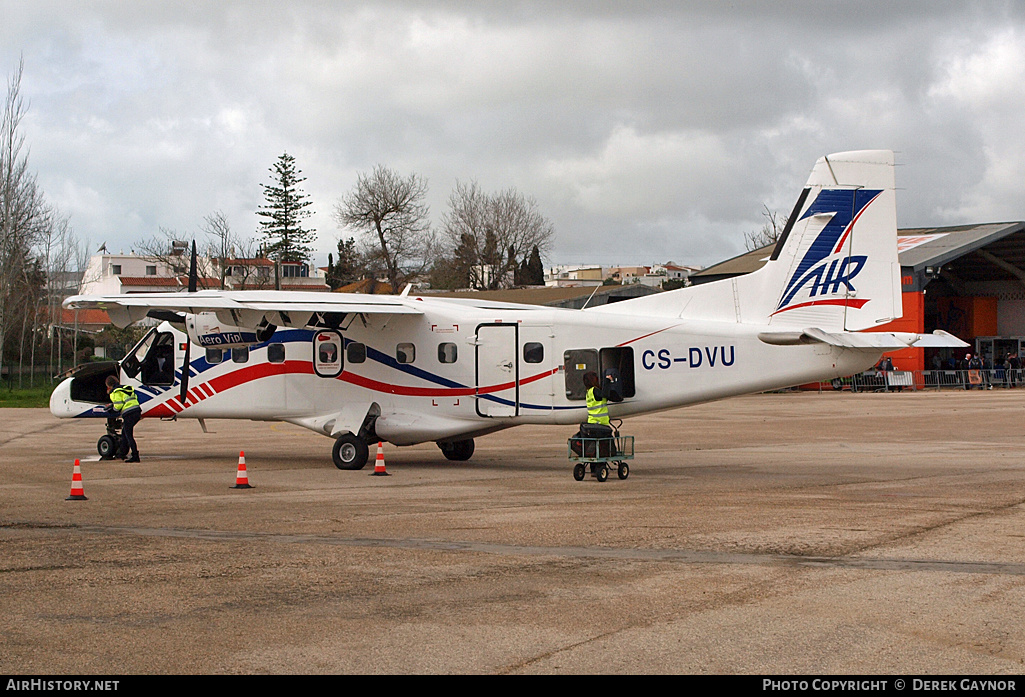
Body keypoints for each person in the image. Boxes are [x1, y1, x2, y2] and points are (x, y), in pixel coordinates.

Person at [106, 375, 141, 462]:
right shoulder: (126, 389)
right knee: (125, 432)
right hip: (137, 411)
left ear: (108, 386)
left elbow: (118, 406)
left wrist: (111, 410)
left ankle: (135, 456)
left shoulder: (115, 392)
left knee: (129, 435)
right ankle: (122, 453)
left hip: (129, 413)